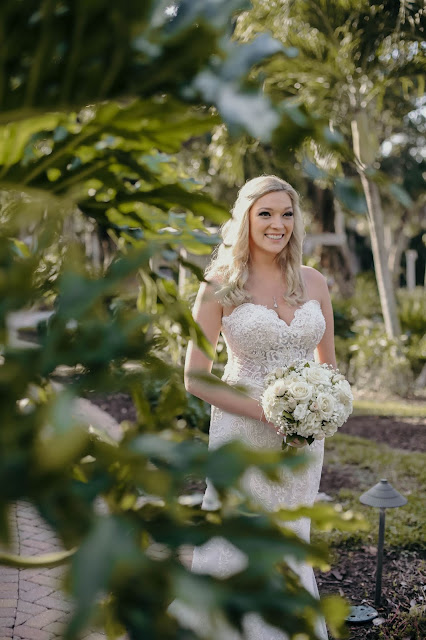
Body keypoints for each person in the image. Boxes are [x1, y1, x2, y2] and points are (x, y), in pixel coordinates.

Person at [177, 175, 336, 639]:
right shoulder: (220, 286)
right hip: (242, 435)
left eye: (286, 214)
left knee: (291, 536)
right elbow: (195, 377)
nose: (277, 224)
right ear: (245, 218)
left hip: (303, 441)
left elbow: (330, 369)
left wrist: (319, 411)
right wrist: (267, 412)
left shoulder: (314, 281)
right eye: (265, 213)